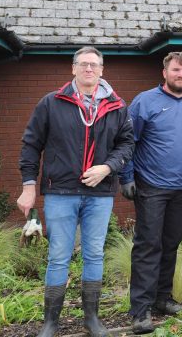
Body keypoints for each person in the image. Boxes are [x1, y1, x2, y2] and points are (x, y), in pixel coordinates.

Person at [17, 47, 134, 337]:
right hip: (60, 192)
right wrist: (28, 186)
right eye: (83, 64)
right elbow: (31, 144)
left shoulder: (116, 106)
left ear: (102, 70)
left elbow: (127, 144)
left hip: (100, 193)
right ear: (73, 68)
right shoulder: (51, 103)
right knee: (59, 256)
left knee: (94, 255)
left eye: (94, 65)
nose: (89, 69)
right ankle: (50, 323)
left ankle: (91, 319)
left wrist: (107, 167)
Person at [119, 52, 182, 334]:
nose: (181, 74)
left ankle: (162, 298)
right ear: (165, 72)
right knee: (148, 246)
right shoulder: (144, 102)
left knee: (170, 244)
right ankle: (140, 310)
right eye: (176, 70)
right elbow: (127, 141)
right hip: (151, 187)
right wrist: (126, 177)